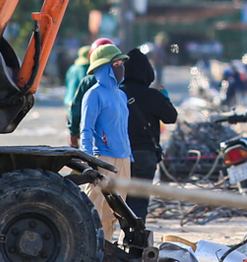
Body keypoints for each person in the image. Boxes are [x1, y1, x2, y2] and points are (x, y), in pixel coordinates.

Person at [78, 41, 132, 238]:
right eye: (116, 64)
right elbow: (86, 130)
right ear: (104, 68)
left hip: (123, 159)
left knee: (115, 213)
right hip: (103, 159)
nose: (121, 68)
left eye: (121, 64)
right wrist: (89, 161)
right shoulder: (93, 95)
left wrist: (129, 156)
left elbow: (122, 129)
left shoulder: (121, 95)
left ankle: (107, 256)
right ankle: (92, 255)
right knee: (96, 211)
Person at [120, 45, 178, 224]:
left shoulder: (116, 93)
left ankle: (118, 239)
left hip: (119, 155)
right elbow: (171, 117)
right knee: (139, 203)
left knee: (119, 202)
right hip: (145, 156)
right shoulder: (153, 96)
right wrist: (164, 98)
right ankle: (135, 243)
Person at [66, 37, 113, 148]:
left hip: (92, 139)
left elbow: (76, 109)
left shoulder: (87, 81)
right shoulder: (121, 81)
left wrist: (73, 132)